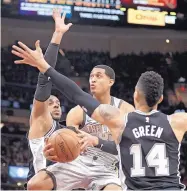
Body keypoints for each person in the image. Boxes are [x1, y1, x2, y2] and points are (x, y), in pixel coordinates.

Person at [12, 40, 187, 190]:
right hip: (83, 161)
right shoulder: (176, 122)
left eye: (98, 76)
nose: (93, 80)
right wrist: (59, 149)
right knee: (35, 184)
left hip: (108, 165)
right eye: (91, 76)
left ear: (134, 95)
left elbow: (75, 93)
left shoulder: (118, 114)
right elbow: (70, 138)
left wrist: (44, 67)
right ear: (162, 98)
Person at [25, 8, 72, 185]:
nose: (56, 104)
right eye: (51, 102)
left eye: (58, 102)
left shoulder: (68, 131)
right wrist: (58, 34)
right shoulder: (40, 121)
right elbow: (45, 80)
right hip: (40, 185)